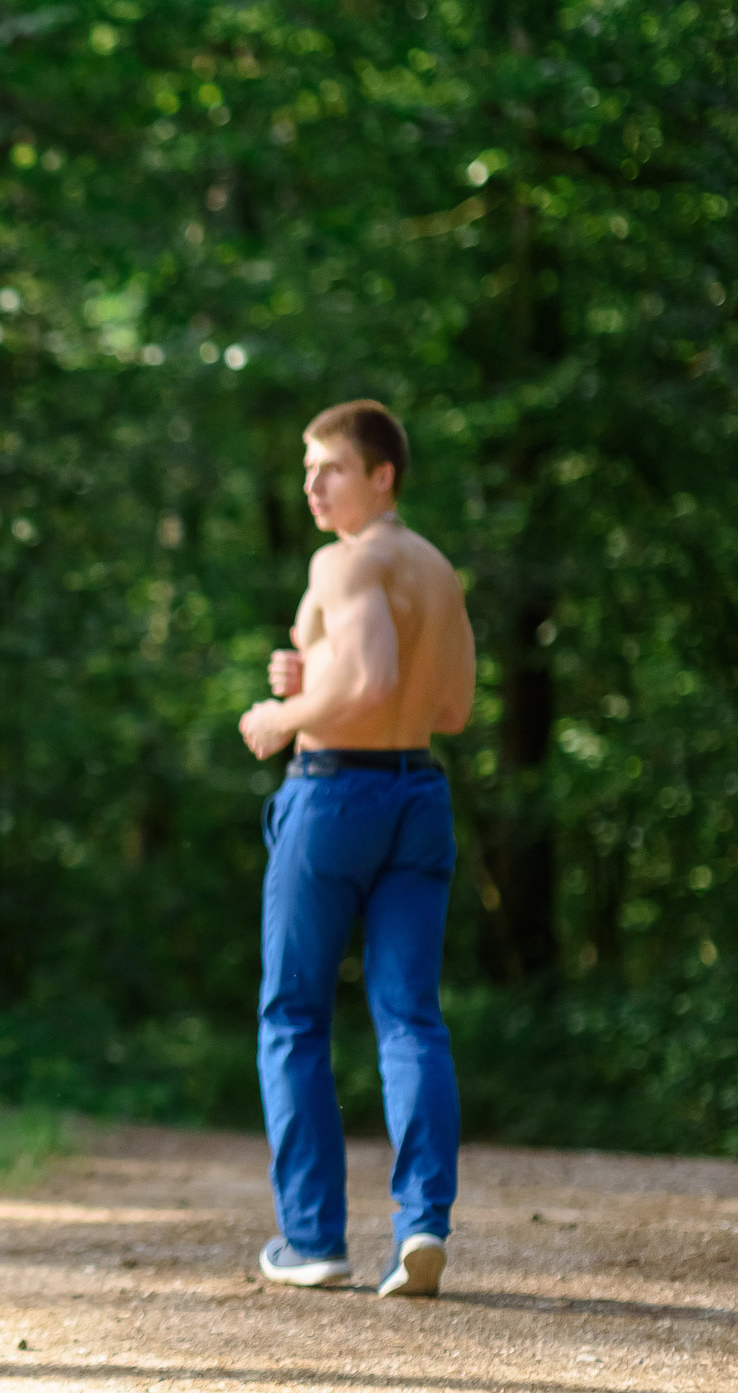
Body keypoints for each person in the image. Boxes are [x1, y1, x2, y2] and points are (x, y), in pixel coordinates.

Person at [236, 401, 475, 1299]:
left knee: (293, 1014)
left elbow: (368, 676)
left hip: (335, 795)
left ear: (382, 474)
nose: (310, 483)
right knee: (410, 1013)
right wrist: (319, 676)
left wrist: (282, 716)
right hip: (420, 793)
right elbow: (445, 708)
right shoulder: (437, 570)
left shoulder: (344, 559)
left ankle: (311, 1239)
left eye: (329, 466)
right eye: (306, 467)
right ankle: (423, 1222)